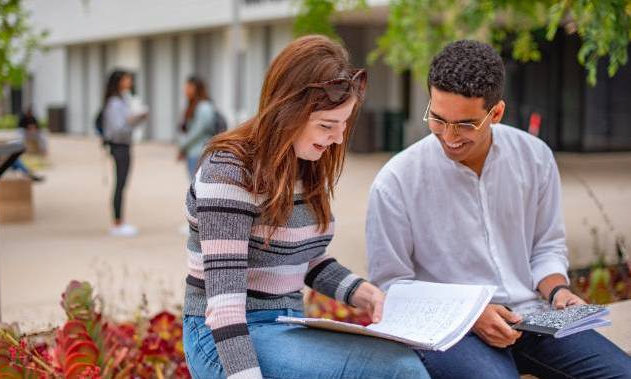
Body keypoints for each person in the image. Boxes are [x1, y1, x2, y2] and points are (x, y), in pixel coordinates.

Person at [365, 40, 631, 379]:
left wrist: (559, 291)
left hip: (533, 316)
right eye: (437, 118)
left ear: (497, 113)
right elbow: (391, 285)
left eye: (464, 124)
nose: (448, 135)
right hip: (451, 329)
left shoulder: (535, 157)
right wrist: (471, 314)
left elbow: (546, 247)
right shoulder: (396, 182)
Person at [182, 35, 429, 379]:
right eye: (327, 125)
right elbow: (224, 309)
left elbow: (307, 258)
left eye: (344, 124)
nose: (338, 138)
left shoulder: (305, 162)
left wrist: (363, 294)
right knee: (396, 370)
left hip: (285, 324)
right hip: (223, 337)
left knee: (402, 361)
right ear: (287, 111)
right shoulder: (229, 173)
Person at [102, 69, 148, 237]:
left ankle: (119, 221)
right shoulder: (115, 102)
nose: (130, 82)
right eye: (126, 79)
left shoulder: (123, 99)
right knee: (120, 184)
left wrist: (135, 120)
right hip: (119, 145)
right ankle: (117, 222)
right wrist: (133, 120)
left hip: (123, 144)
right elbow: (118, 128)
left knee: (122, 184)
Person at [177, 76, 216, 178]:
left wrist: (183, 145)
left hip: (200, 152)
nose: (185, 90)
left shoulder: (204, 107)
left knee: (197, 188)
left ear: (197, 89)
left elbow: (197, 131)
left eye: (189, 87)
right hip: (192, 152)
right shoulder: (192, 105)